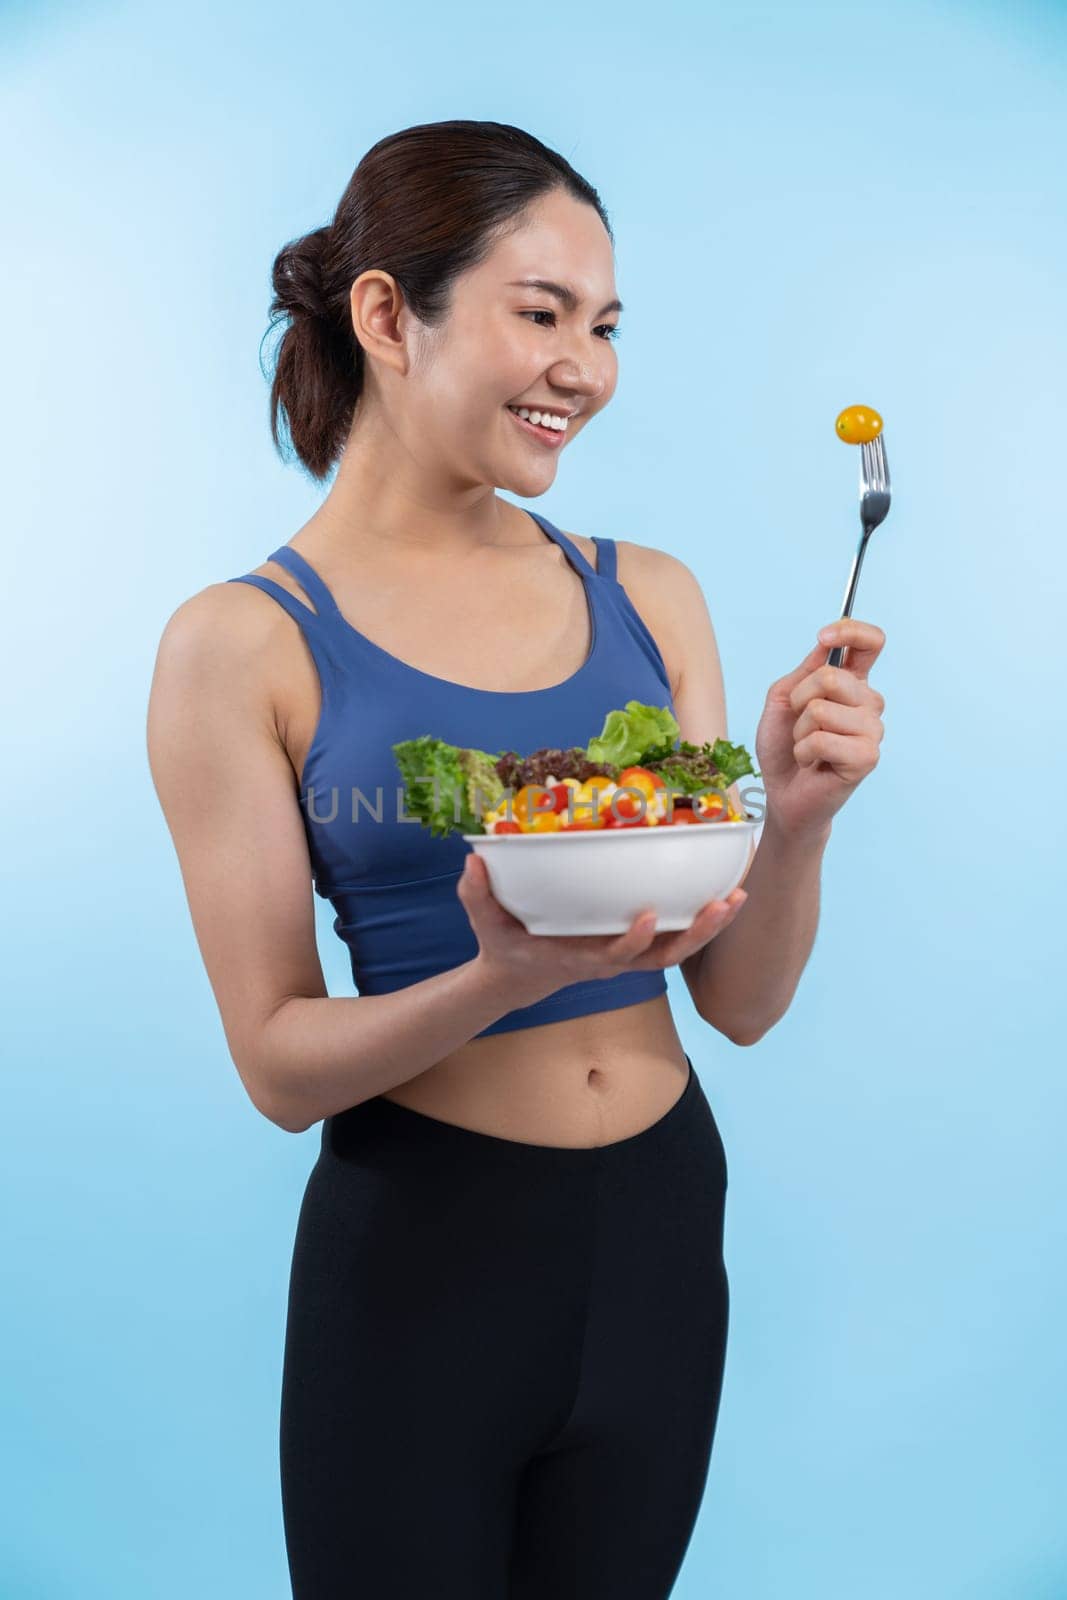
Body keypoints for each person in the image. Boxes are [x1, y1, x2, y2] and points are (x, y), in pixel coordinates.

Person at [147, 119, 886, 1599]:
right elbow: (280, 1064)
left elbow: (736, 1000)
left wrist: (794, 821)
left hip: (664, 1233)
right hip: (425, 1255)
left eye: (604, 326)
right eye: (540, 315)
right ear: (384, 318)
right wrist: (504, 973)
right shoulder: (242, 646)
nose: (585, 369)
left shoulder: (649, 598)